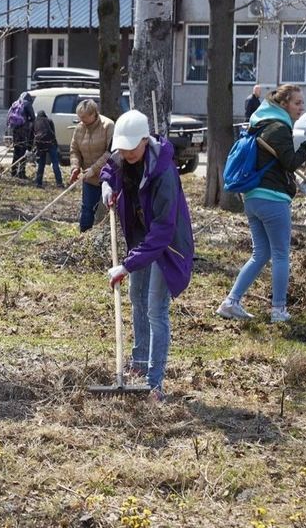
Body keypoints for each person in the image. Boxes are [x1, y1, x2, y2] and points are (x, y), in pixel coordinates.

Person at [100, 109, 194, 401]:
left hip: (165, 247)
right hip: (139, 241)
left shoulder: (164, 173)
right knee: (136, 299)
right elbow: (109, 168)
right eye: (123, 149)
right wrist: (107, 186)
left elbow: (163, 232)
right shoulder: (124, 156)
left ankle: (155, 383)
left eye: (131, 149)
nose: (126, 154)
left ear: (145, 141)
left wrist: (125, 266)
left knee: (156, 309)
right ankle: (139, 365)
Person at [217, 84, 306, 323]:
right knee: (281, 254)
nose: (301, 108)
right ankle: (278, 310)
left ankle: (230, 302)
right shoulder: (279, 127)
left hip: (253, 199)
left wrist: (297, 182)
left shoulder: (260, 124)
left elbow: (278, 164)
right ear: (284, 104)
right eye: (297, 103)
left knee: (261, 253)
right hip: (273, 201)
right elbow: (291, 161)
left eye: (302, 103)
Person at [68, 99, 115, 232]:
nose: (81, 120)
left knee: (107, 209)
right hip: (89, 178)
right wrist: (75, 167)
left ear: (94, 114)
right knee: (87, 209)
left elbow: (111, 152)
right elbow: (74, 150)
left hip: (107, 177)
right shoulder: (79, 128)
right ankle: (84, 235)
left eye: (84, 117)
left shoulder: (108, 126)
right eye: (80, 117)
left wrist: (94, 169)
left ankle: (105, 234)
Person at [32, 110, 63, 188]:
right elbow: (53, 134)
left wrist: (30, 148)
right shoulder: (49, 121)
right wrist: (56, 146)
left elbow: (31, 135)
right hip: (50, 144)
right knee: (55, 163)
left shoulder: (35, 122)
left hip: (41, 145)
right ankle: (59, 183)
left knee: (41, 164)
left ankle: (38, 183)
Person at [9, 92, 35, 179]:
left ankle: (13, 172)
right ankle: (21, 173)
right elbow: (33, 117)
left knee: (16, 152)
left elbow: (8, 117)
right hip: (24, 132)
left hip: (15, 131)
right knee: (23, 152)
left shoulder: (15, 104)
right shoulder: (27, 104)